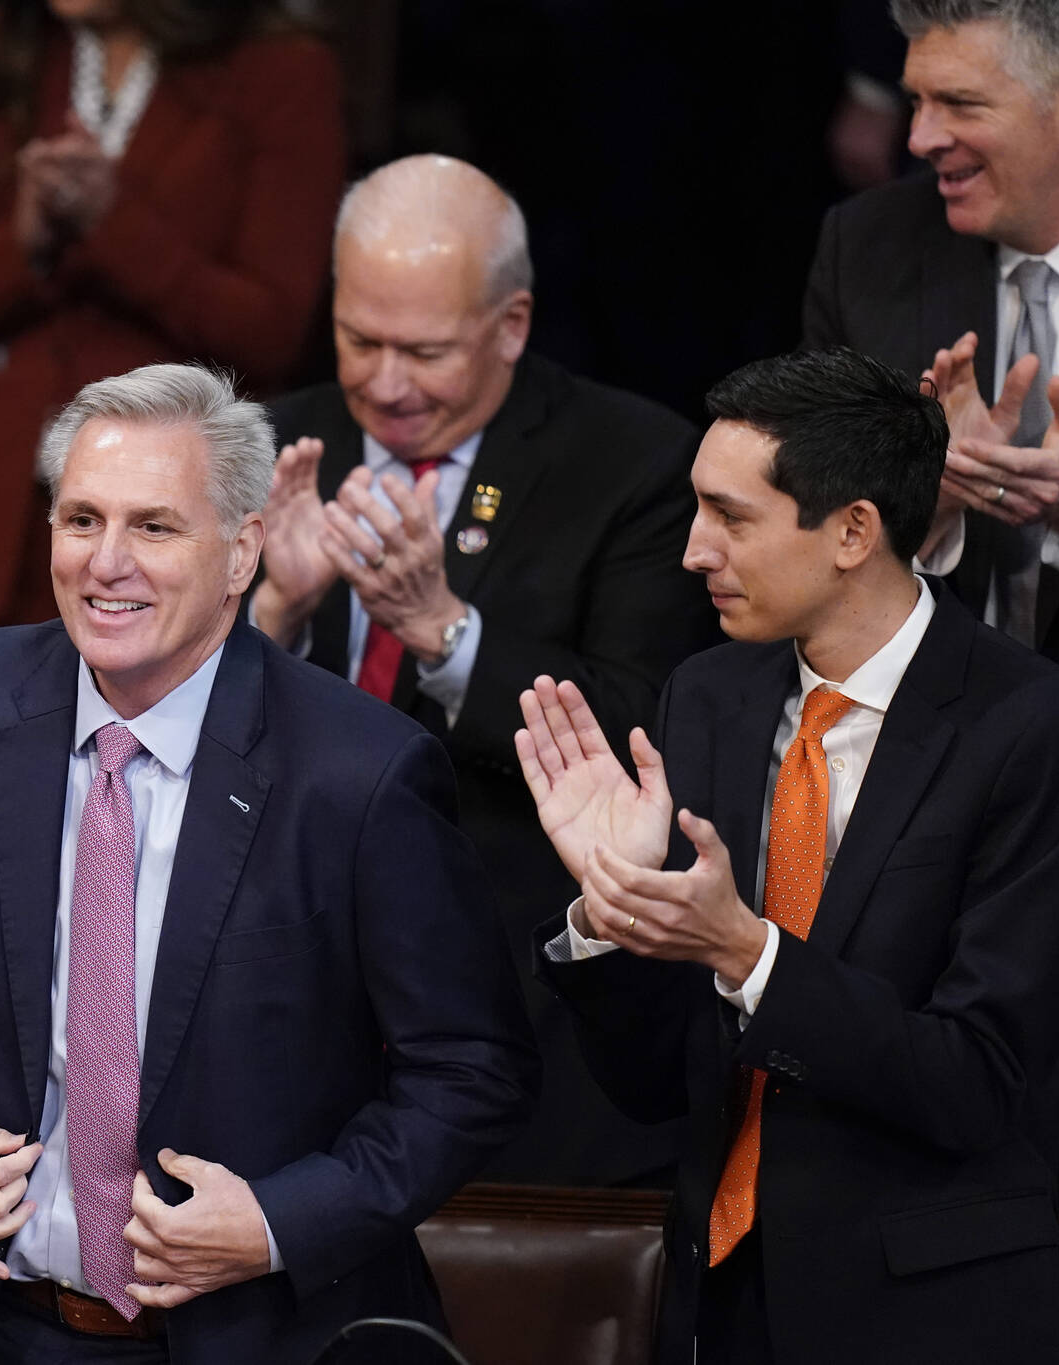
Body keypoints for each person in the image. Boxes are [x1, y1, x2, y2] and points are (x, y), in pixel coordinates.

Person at [0, 363, 537, 1363]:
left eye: (153, 527)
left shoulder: (359, 774)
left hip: (258, 1334)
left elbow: (469, 1069)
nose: (105, 563)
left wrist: (279, 1220)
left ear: (239, 552)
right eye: (80, 519)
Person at [521, 347, 1059, 1365]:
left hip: (929, 1322)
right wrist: (609, 912)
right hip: (719, 1310)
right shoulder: (707, 696)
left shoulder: (1035, 730)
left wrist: (748, 954)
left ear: (852, 530)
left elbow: (974, 1079)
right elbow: (652, 1085)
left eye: (731, 518)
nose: (692, 552)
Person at [251, 154, 715, 1187]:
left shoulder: (631, 464)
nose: (382, 382)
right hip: (284, 992)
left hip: (511, 989)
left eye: (423, 351)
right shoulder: (269, 444)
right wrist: (273, 614)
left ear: (509, 326)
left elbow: (640, 726)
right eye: (357, 339)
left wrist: (439, 629)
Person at [799, 0, 1059, 1214]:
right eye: (913, 97)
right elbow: (792, 554)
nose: (916, 134)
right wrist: (917, 503)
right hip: (911, 879)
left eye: (958, 106)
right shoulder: (866, 252)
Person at [0, 0, 346, 634]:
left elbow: (270, 331)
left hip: (169, 540)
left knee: (145, 737)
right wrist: (23, 243)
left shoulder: (283, 66)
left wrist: (113, 225)